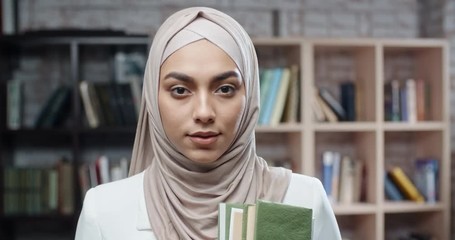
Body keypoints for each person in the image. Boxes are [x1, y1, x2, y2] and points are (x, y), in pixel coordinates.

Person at [75, 6, 341, 240]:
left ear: (250, 98)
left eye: (225, 89)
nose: (204, 112)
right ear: (153, 100)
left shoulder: (304, 200)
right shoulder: (104, 212)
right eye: (180, 90)